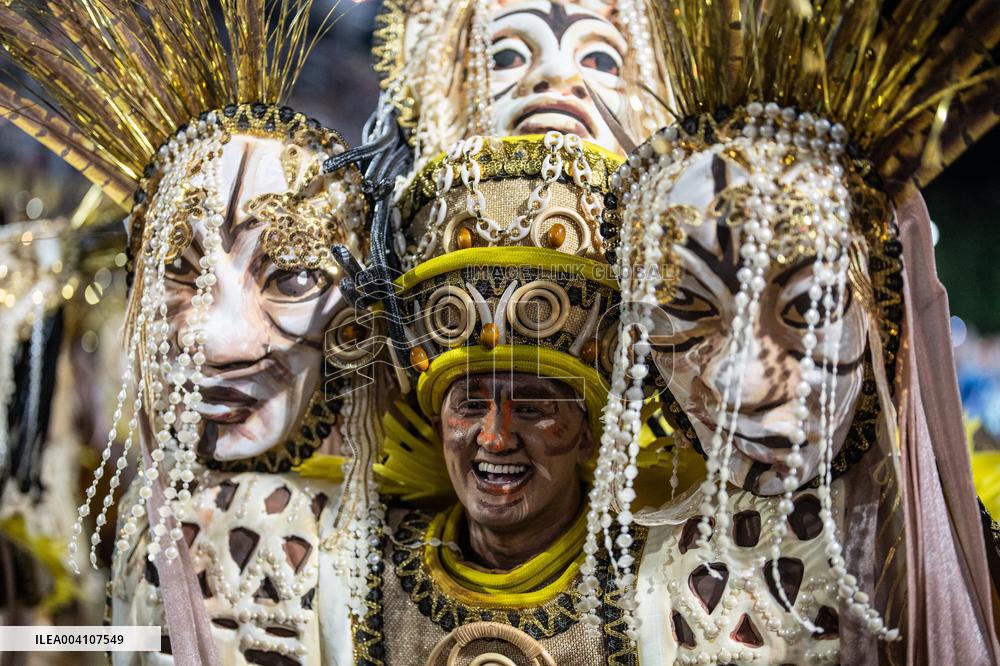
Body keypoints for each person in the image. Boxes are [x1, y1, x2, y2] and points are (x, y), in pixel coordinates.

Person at [601, 1, 1000, 663]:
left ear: (884, 315)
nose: (743, 383)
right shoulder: (607, 587)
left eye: (806, 306)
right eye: (686, 312)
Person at [0, 1, 365, 663]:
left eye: (287, 279)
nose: (215, 339)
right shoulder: (154, 519)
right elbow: (125, 639)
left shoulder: (363, 542)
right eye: (178, 271)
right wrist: (28, 637)